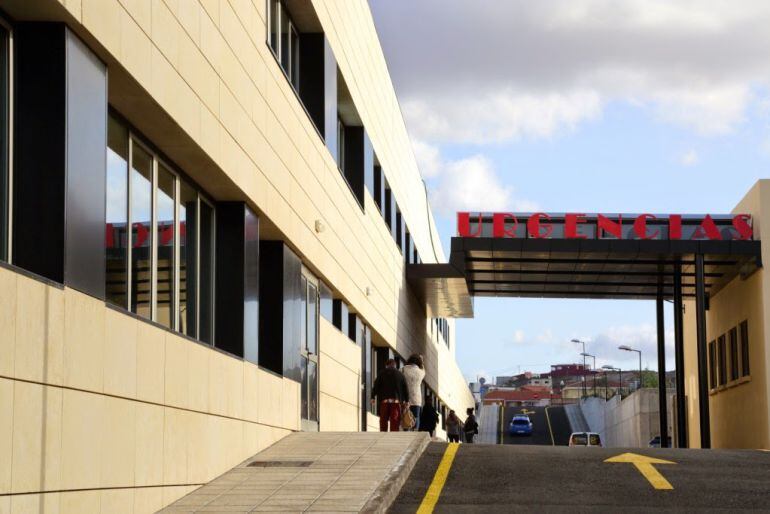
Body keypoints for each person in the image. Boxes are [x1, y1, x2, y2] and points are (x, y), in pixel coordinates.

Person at [371, 359, 409, 432]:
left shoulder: (381, 373)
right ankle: (393, 434)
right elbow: (405, 388)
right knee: (394, 420)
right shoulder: (400, 374)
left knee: (383, 419)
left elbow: (376, 386)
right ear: (395, 365)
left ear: (386, 365)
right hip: (396, 401)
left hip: (384, 401)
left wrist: (372, 397)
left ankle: (383, 433)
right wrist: (407, 400)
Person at [402, 354, 426, 430]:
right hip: (416, 398)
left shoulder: (403, 369)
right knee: (416, 417)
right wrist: (422, 362)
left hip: (405, 397)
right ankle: (415, 432)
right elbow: (423, 370)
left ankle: (406, 430)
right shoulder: (421, 372)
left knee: (405, 414)